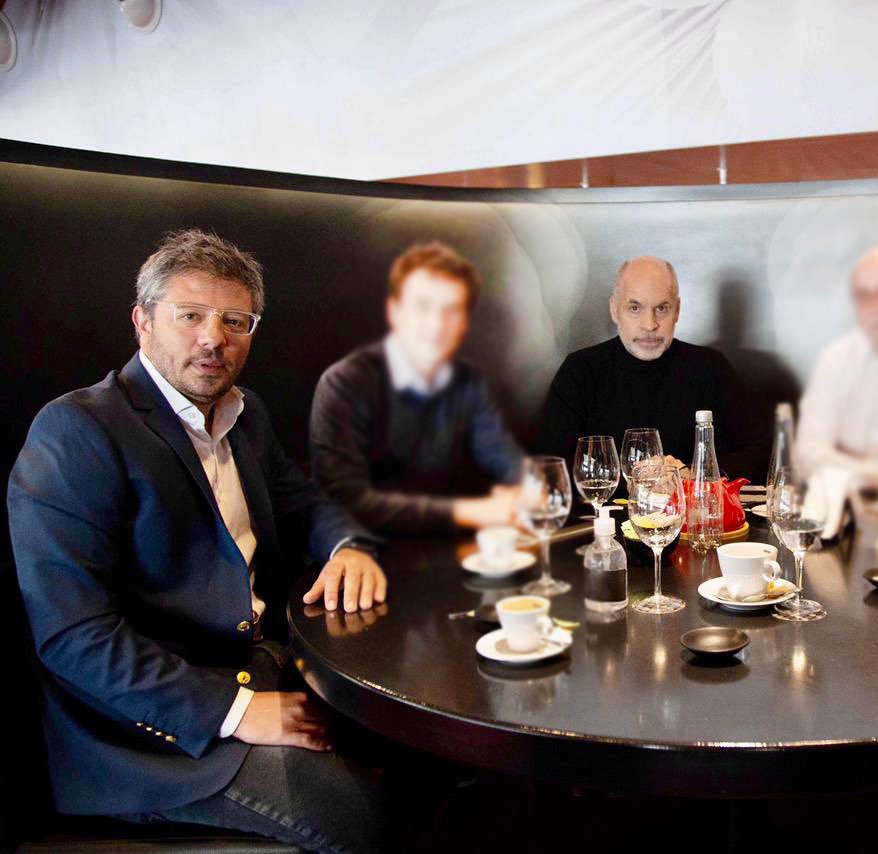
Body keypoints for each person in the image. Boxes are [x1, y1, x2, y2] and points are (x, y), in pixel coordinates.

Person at [8, 230, 393, 852]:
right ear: (143, 321)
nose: (214, 338)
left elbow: (304, 505)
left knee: (422, 748)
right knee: (357, 813)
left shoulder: (245, 413)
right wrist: (235, 712)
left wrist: (348, 547)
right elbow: (72, 636)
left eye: (235, 321)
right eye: (190, 316)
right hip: (146, 734)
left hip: (263, 662)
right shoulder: (75, 431)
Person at [309, 241, 524, 533]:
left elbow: (500, 452)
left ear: (464, 322)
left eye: (452, 310)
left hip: (446, 545)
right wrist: (467, 512)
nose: (437, 324)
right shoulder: (345, 382)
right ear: (394, 311)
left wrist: (528, 486)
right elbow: (343, 501)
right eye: (422, 306)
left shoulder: (467, 380)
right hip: (363, 547)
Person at [537, 255, 768, 482]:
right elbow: (551, 465)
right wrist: (638, 484)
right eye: (634, 308)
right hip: (603, 508)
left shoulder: (711, 368)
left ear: (677, 310)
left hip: (689, 506)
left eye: (662, 308)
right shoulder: (579, 371)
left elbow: (758, 450)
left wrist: (693, 477)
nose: (650, 324)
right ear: (615, 310)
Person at [797, 248, 878, 537]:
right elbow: (808, 451)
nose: (873, 307)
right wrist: (864, 472)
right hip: (846, 522)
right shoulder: (837, 357)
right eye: (864, 296)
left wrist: (846, 470)